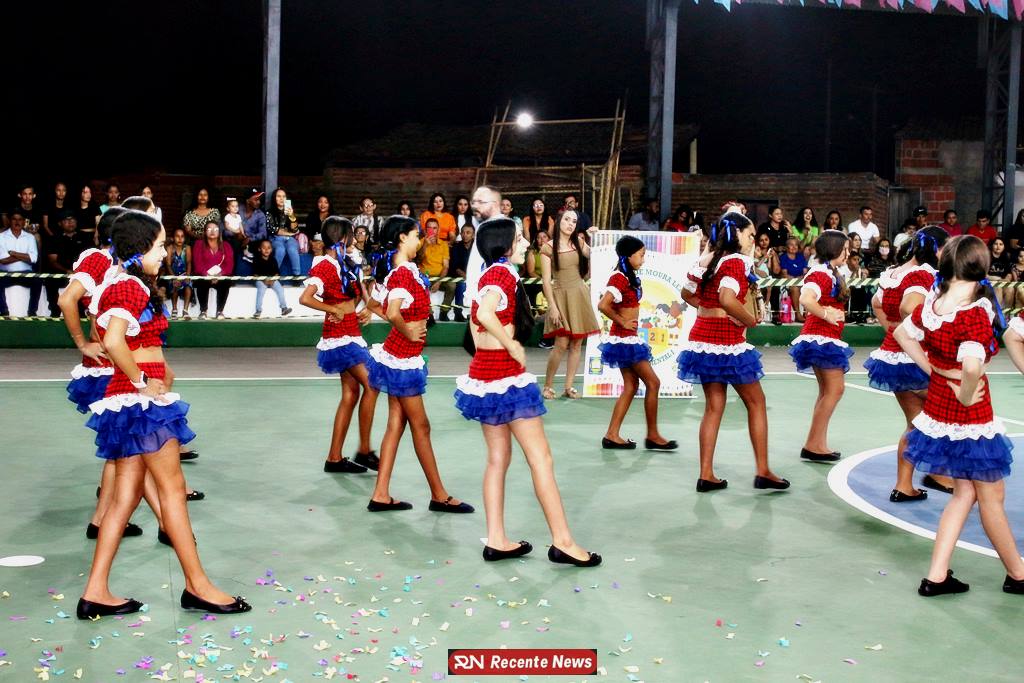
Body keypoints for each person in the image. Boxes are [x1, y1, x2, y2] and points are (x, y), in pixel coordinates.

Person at [77, 210, 249, 619]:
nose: (164, 253)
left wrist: (147, 375)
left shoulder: (117, 282)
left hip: (128, 399)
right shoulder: (131, 286)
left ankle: (95, 591)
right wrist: (142, 380)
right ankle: (197, 585)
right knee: (173, 489)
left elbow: (112, 334)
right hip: (141, 403)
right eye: (158, 246)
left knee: (124, 498)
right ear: (139, 249)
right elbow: (114, 341)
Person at [454, 217, 600, 567]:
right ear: (505, 246)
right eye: (519, 239)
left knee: (497, 459)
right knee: (541, 459)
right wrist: (512, 345)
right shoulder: (502, 274)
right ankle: (563, 542)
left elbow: (476, 327)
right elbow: (486, 315)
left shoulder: (486, 276)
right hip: (505, 374)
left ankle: (497, 539)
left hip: (485, 373)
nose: (525, 244)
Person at [894, 234, 1024, 597]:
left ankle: (937, 575)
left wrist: (935, 370)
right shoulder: (974, 311)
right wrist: (965, 393)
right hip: (970, 413)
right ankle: (1017, 573)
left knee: (965, 492)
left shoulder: (934, 304)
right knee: (991, 494)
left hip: (940, 407)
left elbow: (903, 334)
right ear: (981, 266)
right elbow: (970, 366)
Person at [364, 215, 473, 513]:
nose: (420, 240)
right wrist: (407, 330)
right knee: (421, 426)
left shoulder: (402, 271)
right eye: (416, 235)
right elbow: (392, 311)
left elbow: (374, 304)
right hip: (403, 358)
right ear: (402, 238)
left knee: (396, 425)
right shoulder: (402, 273)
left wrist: (402, 326)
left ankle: (381, 494)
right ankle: (439, 495)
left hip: (399, 356)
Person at [677, 211, 788, 492]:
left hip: (702, 339)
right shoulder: (737, 261)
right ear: (736, 234)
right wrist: (749, 320)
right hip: (727, 342)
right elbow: (727, 299)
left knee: (714, 406)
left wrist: (708, 309)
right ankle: (763, 471)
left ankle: (706, 474)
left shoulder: (709, 260)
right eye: (750, 235)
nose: (753, 240)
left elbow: (687, 293)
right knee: (756, 403)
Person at [865, 226, 952, 501]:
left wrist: (892, 331)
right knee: (948, 410)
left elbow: (877, 302)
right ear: (937, 249)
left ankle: (905, 485)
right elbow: (908, 307)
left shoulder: (894, 273)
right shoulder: (923, 274)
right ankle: (938, 473)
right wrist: (924, 331)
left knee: (916, 423)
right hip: (916, 358)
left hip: (894, 357)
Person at [299, 217, 380, 474]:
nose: (354, 239)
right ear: (342, 238)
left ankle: (334, 458)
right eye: (351, 235)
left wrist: (366, 309)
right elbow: (305, 298)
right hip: (340, 336)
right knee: (372, 384)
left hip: (351, 332)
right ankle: (364, 450)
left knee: (351, 393)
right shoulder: (325, 264)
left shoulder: (344, 264)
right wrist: (332, 308)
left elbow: (357, 298)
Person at [596, 235, 677, 451]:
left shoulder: (627, 276)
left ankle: (612, 434)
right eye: (641, 255)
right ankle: (652, 436)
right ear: (628, 256)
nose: (643, 259)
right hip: (625, 340)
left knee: (631, 386)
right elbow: (603, 305)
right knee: (653, 383)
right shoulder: (619, 277)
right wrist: (622, 321)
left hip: (626, 339)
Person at [788, 231, 854, 461]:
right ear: (835, 249)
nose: (848, 253)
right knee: (835, 390)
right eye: (845, 249)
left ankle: (816, 443)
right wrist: (827, 314)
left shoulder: (830, 272)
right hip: (822, 338)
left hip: (823, 337)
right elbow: (806, 299)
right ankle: (813, 444)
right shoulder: (821, 273)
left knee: (827, 391)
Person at [540, 210, 600, 399]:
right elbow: (546, 281)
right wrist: (552, 306)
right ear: (559, 221)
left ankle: (568, 386)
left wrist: (593, 238)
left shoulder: (579, 243)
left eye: (574, 221)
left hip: (580, 294)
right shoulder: (548, 248)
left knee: (576, 344)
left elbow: (598, 255)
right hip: (560, 296)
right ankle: (548, 385)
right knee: (561, 343)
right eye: (567, 219)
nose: (570, 224)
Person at [0, 210, 42, 317]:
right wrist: (24, 256)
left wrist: (13, 253)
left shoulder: (30, 237)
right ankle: (4, 312)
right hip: (6, 273)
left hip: (26, 273)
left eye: (20, 219)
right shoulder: (1, 236)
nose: (17, 222)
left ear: (24, 222)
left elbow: (34, 259)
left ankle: (32, 312)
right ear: (9, 221)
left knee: (37, 280)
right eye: (14, 219)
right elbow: (3, 260)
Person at [44, 212, 87, 317]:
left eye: (72, 219)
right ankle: (55, 312)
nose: (70, 222)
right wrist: (67, 271)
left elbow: (90, 258)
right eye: (66, 220)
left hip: (80, 274)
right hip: (61, 273)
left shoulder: (85, 237)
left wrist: (79, 272)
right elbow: (52, 261)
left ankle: (81, 313)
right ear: (60, 223)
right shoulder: (54, 239)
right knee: (50, 280)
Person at [192, 221, 234, 319]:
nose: (212, 231)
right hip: (205, 275)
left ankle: (220, 311)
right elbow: (197, 263)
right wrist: (208, 275)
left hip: (220, 276)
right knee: (201, 281)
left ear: (219, 232)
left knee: (226, 282)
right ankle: (203, 311)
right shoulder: (199, 244)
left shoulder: (226, 245)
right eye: (209, 229)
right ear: (205, 231)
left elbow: (229, 264)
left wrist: (220, 275)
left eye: (215, 229)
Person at [417, 220, 449, 322]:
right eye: (429, 228)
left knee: (452, 285)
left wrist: (439, 282)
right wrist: (425, 245)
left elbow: (446, 266)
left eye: (434, 228)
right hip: (424, 276)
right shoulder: (420, 242)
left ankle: (444, 312)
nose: (432, 230)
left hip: (439, 277)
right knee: (422, 284)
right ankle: (429, 314)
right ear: (425, 230)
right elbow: (418, 260)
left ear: (438, 230)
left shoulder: (443, 244)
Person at [251, 239, 292, 318]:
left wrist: (272, 280)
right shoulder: (256, 259)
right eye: (264, 248)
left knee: (280, 289)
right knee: (261, 290)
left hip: (272, 279)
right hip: (260, 280)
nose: (266, 250)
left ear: (271, 249)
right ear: (259, 249)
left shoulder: (273, 259)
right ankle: (258, 310)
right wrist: (264, 280)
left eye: (269, 248)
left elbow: (277, 273)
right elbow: (255, 274)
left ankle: (284, 308)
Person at [267, 188, 301, 276]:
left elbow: (295, 229)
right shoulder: (270, 212)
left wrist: (292, 216)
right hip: (275, 238)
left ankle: (297, 275)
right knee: (280, 250)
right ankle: (274, 274)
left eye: (284, 196)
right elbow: (273, 229)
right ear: (274, 198)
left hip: (289, 239)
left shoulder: (289, 211)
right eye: (279, 196)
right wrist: (289, 233)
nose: (281, 199)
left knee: (292, 249)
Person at [445, 224, 474, 322]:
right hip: (459, 276)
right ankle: (458, 312)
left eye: (468, 233)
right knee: (461, 284)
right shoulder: (456, 247)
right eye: (463, 233)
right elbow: (455, 266)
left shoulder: (477, 248)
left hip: (474, 276)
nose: (465, 235)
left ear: (473, 235)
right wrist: (466, 276)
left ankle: (475, 313)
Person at [778, 237, 809, 322]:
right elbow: (785, 274)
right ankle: (797, 314)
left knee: (808, 288)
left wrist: (799, 279)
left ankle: (807, 313)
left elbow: (805, 273)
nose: (794, 247)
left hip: (800, 281)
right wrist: (796, 280)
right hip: (788, 283)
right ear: (786, 247)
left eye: (796, 245)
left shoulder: (801, 257)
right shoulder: (783, 257)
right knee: (795, 288)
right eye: (791, 245)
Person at [165, 227, 193, 319]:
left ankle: (185, 310)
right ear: (173, 238)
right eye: (177, 236)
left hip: (184, 274)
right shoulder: (170, 248)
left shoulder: (187, 248)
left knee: (188, 286)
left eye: (182, 236)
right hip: (172, 274)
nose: (180, 239)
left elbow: (189, 262)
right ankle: (174, 309)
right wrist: (174, 278)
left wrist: (187, 276)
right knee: (175, 286)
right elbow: (168, 264)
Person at [987, 237, 1013, 307]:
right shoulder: (987, 256)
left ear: (1004, 247)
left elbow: (1009, 274)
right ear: (992, 245)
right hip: (990, 282)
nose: (998, 246)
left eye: (1001, 244)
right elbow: (984, 275)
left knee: (1010, 288)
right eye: (996, 244)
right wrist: (998, 279)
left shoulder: (1006, 257)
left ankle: (1007, 311)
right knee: (998, 288)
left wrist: (1007, 279)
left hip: (1002, 281)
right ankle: (998, 312)